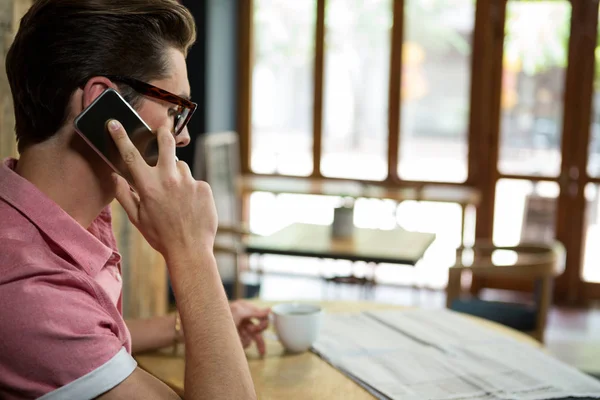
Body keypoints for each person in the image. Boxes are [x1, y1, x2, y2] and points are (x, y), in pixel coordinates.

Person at [0, 0, 267, 398]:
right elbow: (52, 318)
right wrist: (193, 252)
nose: (183, 136)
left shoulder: (37, 217)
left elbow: (84, 329)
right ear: (102, 105)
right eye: (175, 108)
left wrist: (199, 322)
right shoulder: (29, 289)